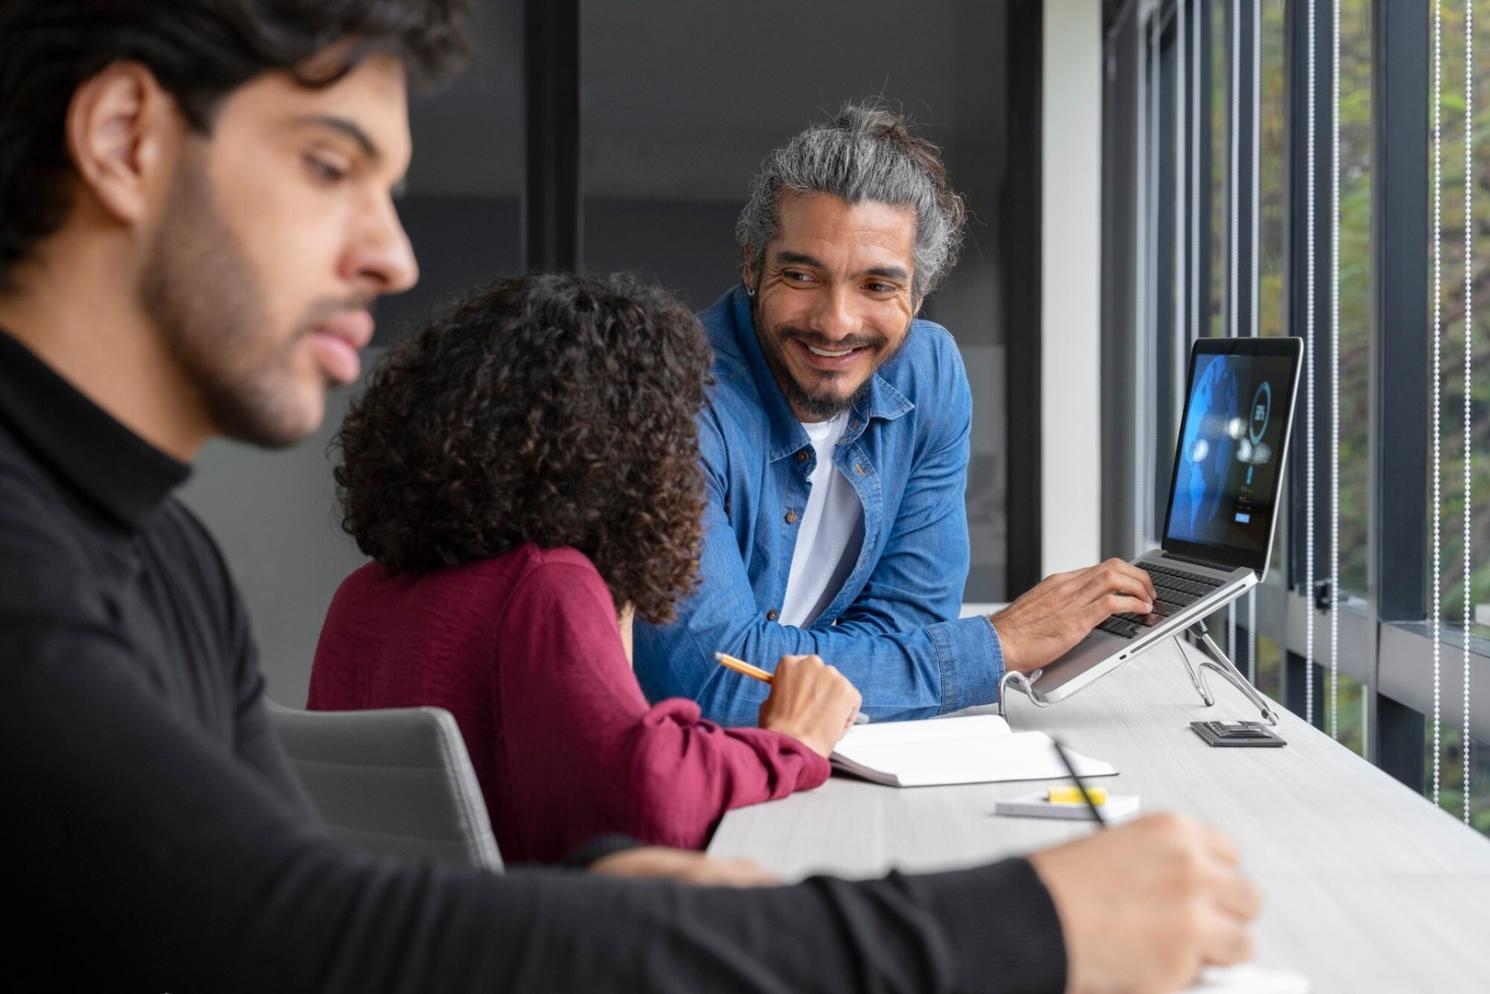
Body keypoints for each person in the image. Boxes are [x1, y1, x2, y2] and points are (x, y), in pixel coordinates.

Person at [0, 2, 1259, 991]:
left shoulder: (159, 555)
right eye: (331, 165)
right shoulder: (30, 572)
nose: (392, 256)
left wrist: (623, 882)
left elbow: (297, 904)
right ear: (124, 138)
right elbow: (313, 941)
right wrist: (1022, 927)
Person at [634, 102, 1162, 726]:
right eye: (802, 275)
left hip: (815, 755)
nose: (836, 323)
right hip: (670, 779)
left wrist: (858, 674)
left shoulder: (928, 375)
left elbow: (910, 621)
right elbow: (718, 682)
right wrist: (1000, 647)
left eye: (877, 286)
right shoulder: (670, 400)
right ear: (753, 264)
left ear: (918, 289)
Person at [308, 273, 862, 863]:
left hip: (398, 944)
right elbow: (648, 798)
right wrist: (789, 742)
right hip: (526, 941)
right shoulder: (546, 585)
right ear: (619, 450)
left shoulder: (359, 600)